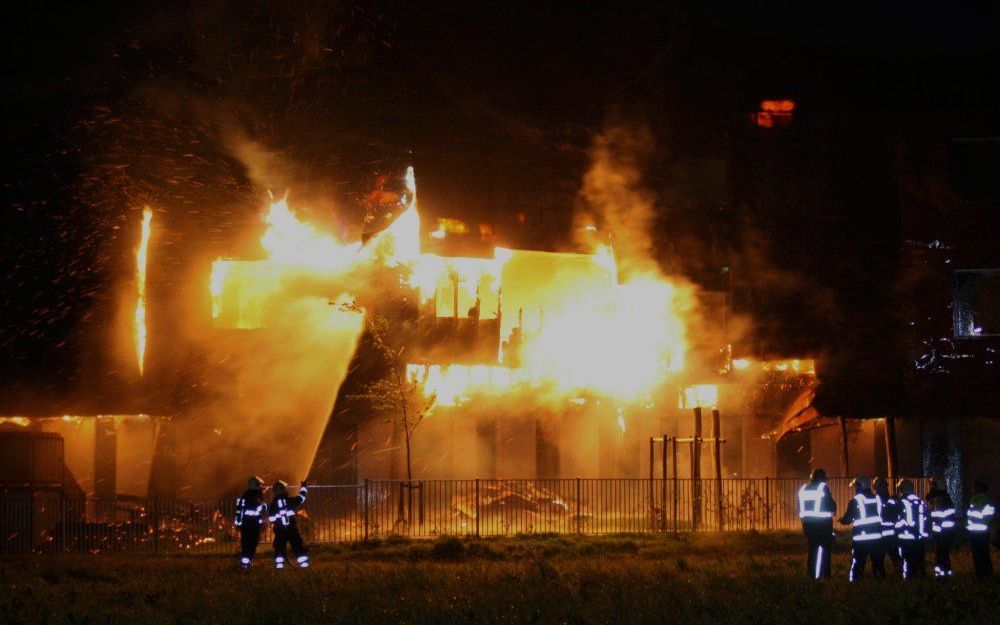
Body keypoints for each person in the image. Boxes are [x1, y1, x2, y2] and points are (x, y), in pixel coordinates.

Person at [839, 476, 886, 581]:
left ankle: (855, 583)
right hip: (877, 538)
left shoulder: (855, 501)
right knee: (878, 563)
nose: (855, 489)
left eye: (856, 486)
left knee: (858, 563)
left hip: (861, 539)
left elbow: (848, 519)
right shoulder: (877, 499)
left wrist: (842, 520)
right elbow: (882, 516)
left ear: (861, 486)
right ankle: (881, 583)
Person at [798, 468, 837, 579]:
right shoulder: (823, 488)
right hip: (823, 525)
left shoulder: (803, 489)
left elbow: (800, 509)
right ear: (821, 479)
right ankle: (825, 575)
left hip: (808, 525)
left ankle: (812, 575)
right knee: (825, 551)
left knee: (813, 550)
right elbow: (832, 506)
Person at [269, 480, 310, 569]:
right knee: (297, 544)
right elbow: (301, 498)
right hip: (291, 528)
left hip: (279, 530)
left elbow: (271, 518)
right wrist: (303, 487)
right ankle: (304, 564)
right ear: (283, 489)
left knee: (279, 546)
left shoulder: (272, 505)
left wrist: (277, 521)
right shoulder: (290, 501)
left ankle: (279, 565)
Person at [895, 478, 929, 579]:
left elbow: (899, 520)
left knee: (907, 561)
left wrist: (895, 528)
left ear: (903, 489)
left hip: (906, 537)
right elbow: (926, 518)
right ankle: (922, 579)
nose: (899, 492)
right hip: (920, 537)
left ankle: (909, 580)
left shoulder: (902, 502)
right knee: (920, 562)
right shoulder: (920, 501)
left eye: (900, 489)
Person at [234, 476, 268, 569]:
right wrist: (264, 506)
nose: (260, 488)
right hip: (252, 524)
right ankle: (246, 562)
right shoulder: (253, 497)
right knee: (252, 544)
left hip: (245, 525)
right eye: (259, 486)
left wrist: (237, 524)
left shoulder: (245, 496)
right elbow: (257, 509)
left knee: (246, 544)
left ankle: (245, 563)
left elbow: (239, 511)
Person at [926, 477, 957, 577]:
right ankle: (946, 575)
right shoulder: (946, 498)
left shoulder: (939, 499)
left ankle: (941, 577)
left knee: (940, 556)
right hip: (948, 533)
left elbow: (937, 517)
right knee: (944, 556)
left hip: (942, 534)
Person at [966, 480, 995, 579]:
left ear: (977, 489)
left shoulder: (975, 500)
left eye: (973, 487)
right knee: (984, 554)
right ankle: (986, 574)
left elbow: (971, 517)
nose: (972, 489)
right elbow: (989, 516)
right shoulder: (984, 500)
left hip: (976, 533)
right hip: (982, 532)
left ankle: (981, 574)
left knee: (978, 555)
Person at [875, 477, 901, 576]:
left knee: (881, 557)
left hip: (883, 533)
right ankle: (900, 573)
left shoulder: (877, 500)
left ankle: (881, 576)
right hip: (890, 533)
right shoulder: (893, 500)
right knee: (893, 556)